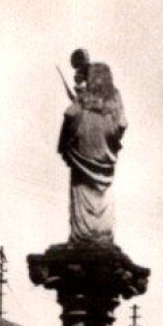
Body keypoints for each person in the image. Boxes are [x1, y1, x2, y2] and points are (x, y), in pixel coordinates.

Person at [57, 59, 127, 243]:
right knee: (103, 196)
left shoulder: (84, 100)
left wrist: (68, 137)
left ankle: (82, 235)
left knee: (81, 189)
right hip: (104, 153)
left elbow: (69, 114)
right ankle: (102, 235)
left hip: (83, 149)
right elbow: (122, 123)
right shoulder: (113, 101)